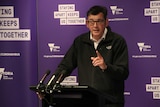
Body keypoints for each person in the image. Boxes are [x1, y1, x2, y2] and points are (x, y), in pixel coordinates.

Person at [40, 5, 129, 107]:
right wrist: (49, 88)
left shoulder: (117, 41)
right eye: (91, 21)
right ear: (87, 23)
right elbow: (65, 67)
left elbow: (123, 73)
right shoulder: (80, 42)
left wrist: (106, 67)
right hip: (87, 101)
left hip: (111, 102)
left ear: (106, 22)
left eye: (99, 21)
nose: (95, 26)